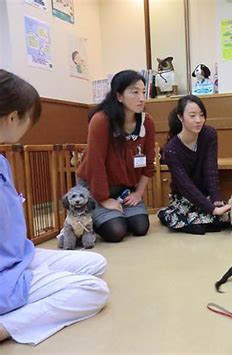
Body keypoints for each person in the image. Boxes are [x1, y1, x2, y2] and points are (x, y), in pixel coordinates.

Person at [0, 69, 109, 345]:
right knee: (94, 291)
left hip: (20, 257)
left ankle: (39, 282)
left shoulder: (2, 161)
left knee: (97, 262)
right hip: (5, 272)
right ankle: (6, 326)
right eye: (28, 119)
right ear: (13, 117)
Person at [77, 70, 156, 243]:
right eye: (135, 92)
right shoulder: (101, 120)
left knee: (140, 227)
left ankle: (116, 214)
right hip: (96, 187)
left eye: (144, 92)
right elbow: (94, 164)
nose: (141, 98)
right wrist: (104, 199)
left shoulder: (147, 122)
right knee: (116, 231)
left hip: (125, 189)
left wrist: (138, 194)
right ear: (119, 96)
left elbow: (149, 163)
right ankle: (89, 214)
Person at [157, 95, 231, 235]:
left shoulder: (209, 134)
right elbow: (185, 186)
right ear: (180, 117)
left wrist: (215, 199)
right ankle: (166, 214)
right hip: (184, 196)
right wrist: (212, 210)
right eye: (192, 116)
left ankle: (202, 221)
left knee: (228, 217)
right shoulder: (171, 149)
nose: (198, 120)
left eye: (201, 115)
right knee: (204, 222)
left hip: (205, 194)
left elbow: (211, 169)